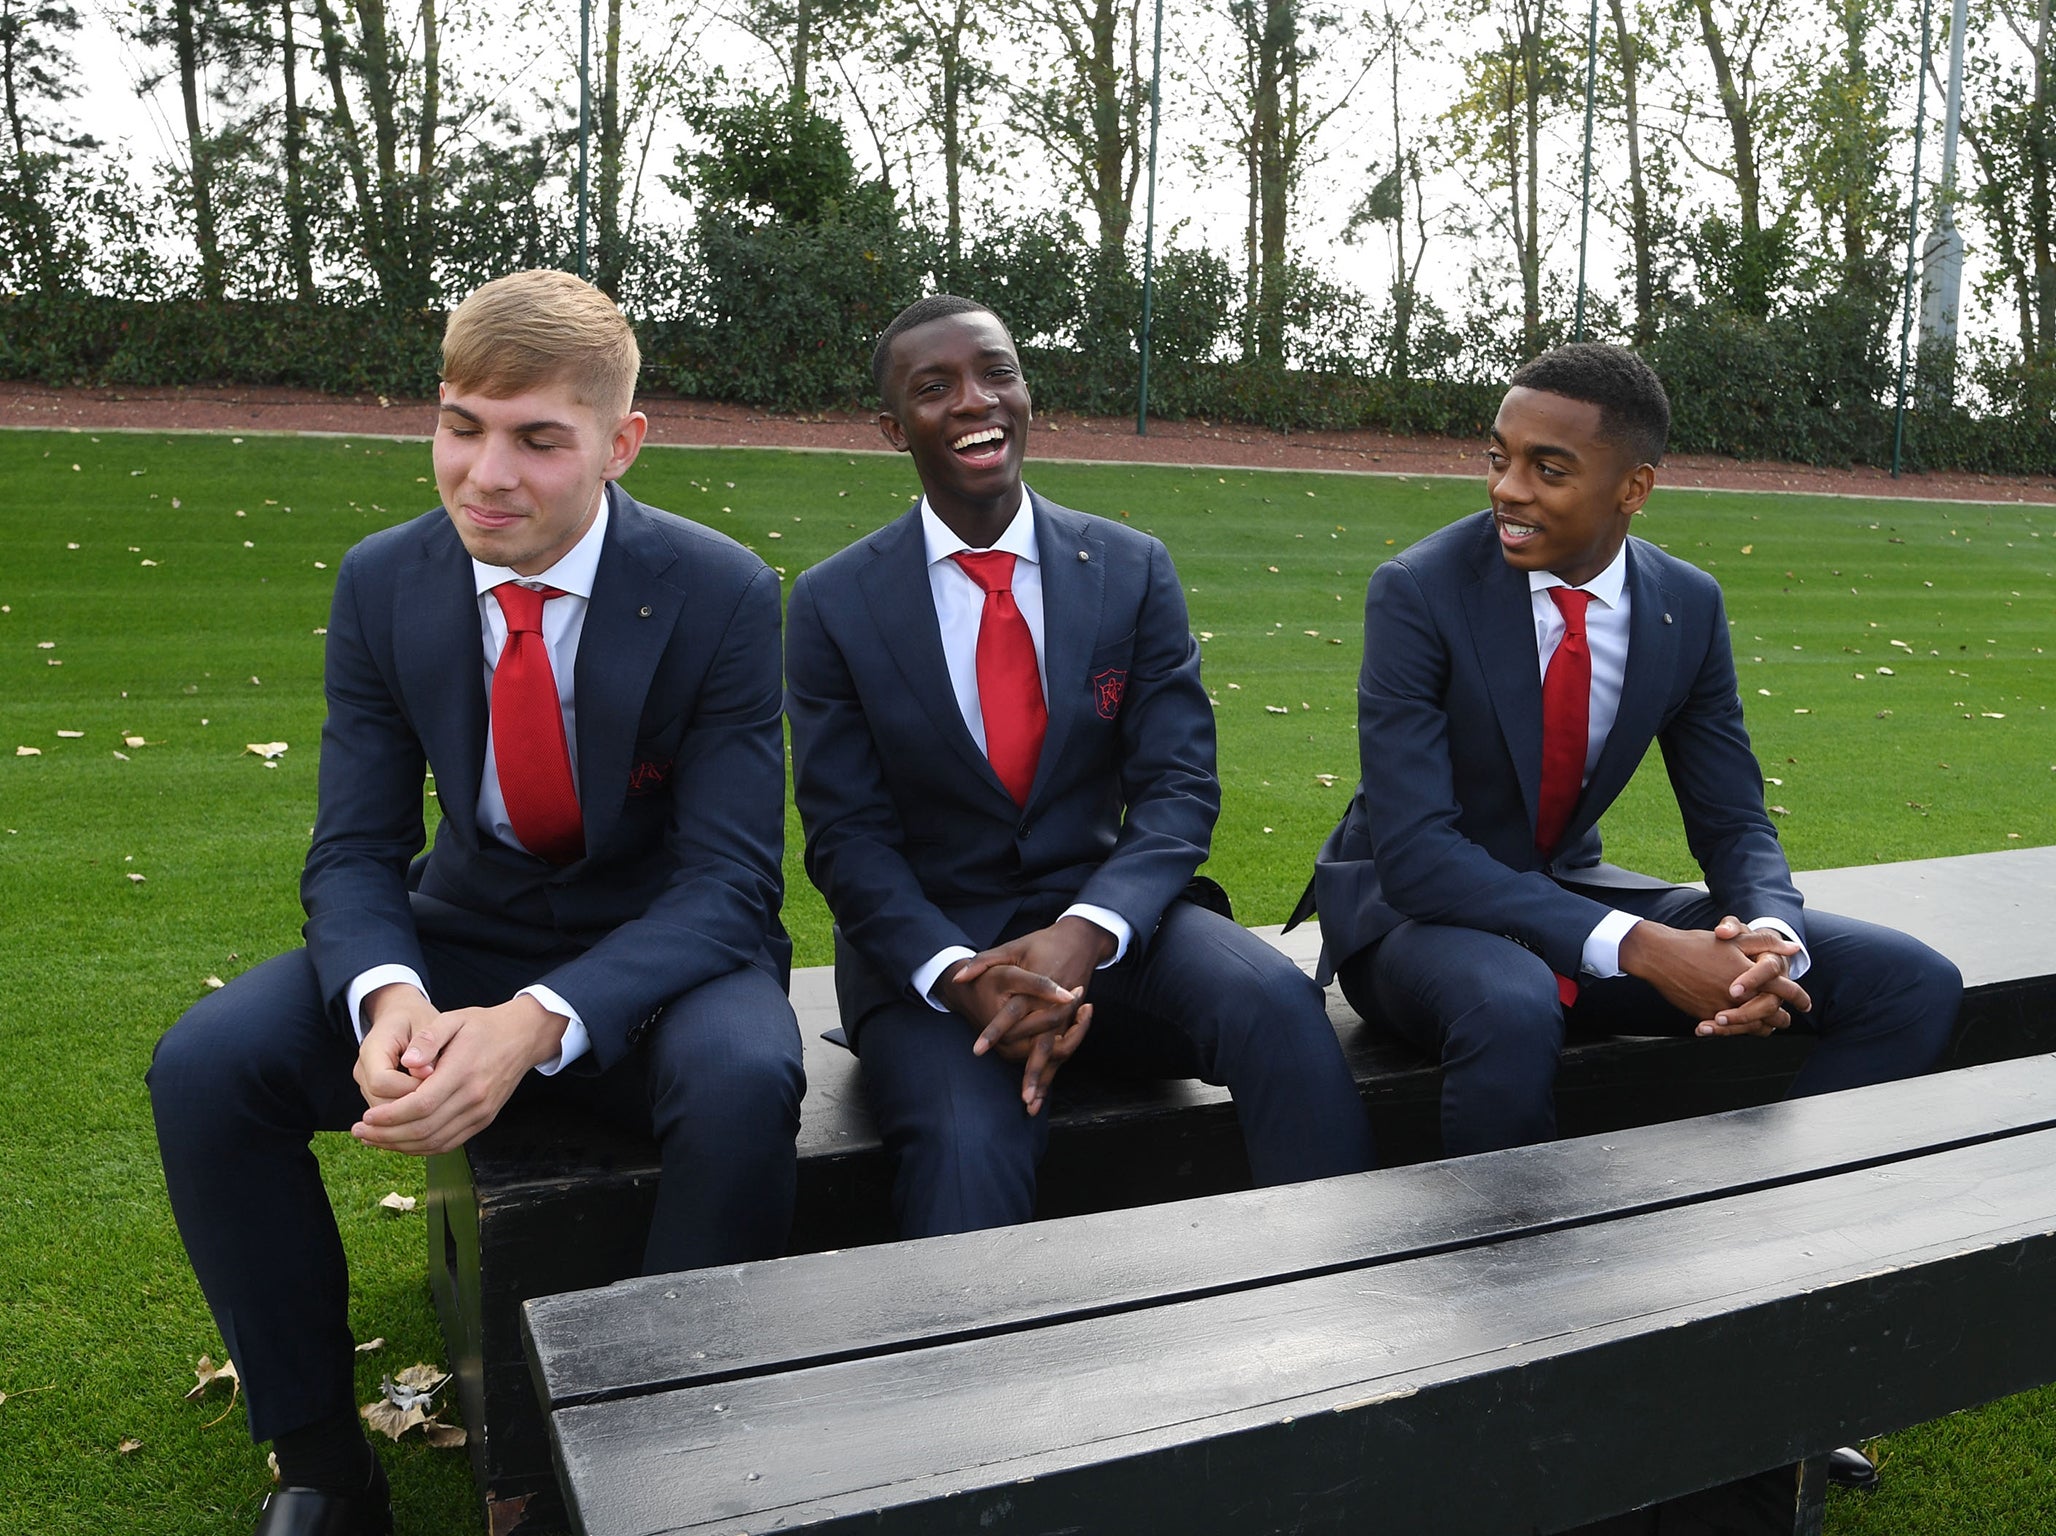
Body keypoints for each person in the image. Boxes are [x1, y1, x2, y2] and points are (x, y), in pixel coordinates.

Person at [149, 269, 804, 1536]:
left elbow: (731, 881)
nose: (484, 476)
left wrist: (535, 1022)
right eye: (460, 424)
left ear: (620, 446)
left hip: (661, 957)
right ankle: (323, 1471)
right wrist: (389, 993)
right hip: (460, 929)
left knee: (743, 1080)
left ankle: (629, 1475)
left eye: (537, 440)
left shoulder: (721, 589)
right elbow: (353, 851)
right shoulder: (385, 580)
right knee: (207, 1068)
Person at [784, 294, 1375, 1240]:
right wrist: (955, 973)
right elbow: (847, 839)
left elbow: (1179, 791)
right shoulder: (833, 604)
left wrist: (1086, 933)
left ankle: (1357, 1314)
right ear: (895, 428)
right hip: (935, 961)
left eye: (997, 373)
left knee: (1275, 1003)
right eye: (936, 389)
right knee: (967, 1142)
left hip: (1108, 925)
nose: (976, 401)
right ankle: (981, 1379)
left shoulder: (1130, 568)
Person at [1295, 342, 1960, 1160]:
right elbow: (1418, 855)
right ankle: (1505, 1269)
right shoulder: (1419, 591)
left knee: (1910, 982)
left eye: (1549, 469)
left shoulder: (1684, 603)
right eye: (1498, 460)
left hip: (1567, 891)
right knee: (1510, 1002)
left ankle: (1784, 1217)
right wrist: (1645, 948)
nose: (1508, 489)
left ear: (1634, 488)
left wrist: (1769, 944)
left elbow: (1734, 820)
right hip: (1414, 919)